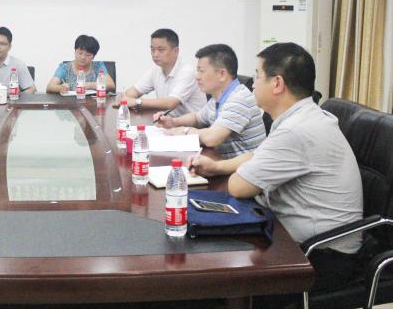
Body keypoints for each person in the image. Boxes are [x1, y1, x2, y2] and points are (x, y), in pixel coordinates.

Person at [190, 42, 363, 302]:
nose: (252, 85)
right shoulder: (302, 117)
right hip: (296, 234)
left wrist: (238, 170)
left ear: (277, 83)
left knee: (212, 272)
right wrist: (217, 166)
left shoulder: (296, 130)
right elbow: (259, 155)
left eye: (257, 76)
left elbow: (239, 186)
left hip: (319, 255)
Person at [155, 44, 265, 159]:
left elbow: (211, 138)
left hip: (242, 167)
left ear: (222, 74)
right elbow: (197, 118)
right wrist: (173, 122)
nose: (197, 77)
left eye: (201, 71)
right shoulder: (218, 97)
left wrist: (184, 131)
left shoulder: (239, 99)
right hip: (224, 161)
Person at [123, 28, 206, 115]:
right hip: (168, 120)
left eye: (161, 50)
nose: (155, 54)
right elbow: (134, 91)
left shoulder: (187, 72)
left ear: (176, 51)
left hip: (192, 123)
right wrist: (127, 98)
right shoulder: (156, 70)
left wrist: (137, 102)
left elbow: (170, 103)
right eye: (152, 49)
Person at [46, 35, 115, 94]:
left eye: (88, 55)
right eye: (80, 53)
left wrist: (89, 85)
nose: (83, 57)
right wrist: (60, 88)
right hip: (70, 103)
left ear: (93, 57)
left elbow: (111, 85)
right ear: (75, 52)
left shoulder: (98, 66)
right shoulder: (65, 67)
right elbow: (50, 87)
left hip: (93, 104)